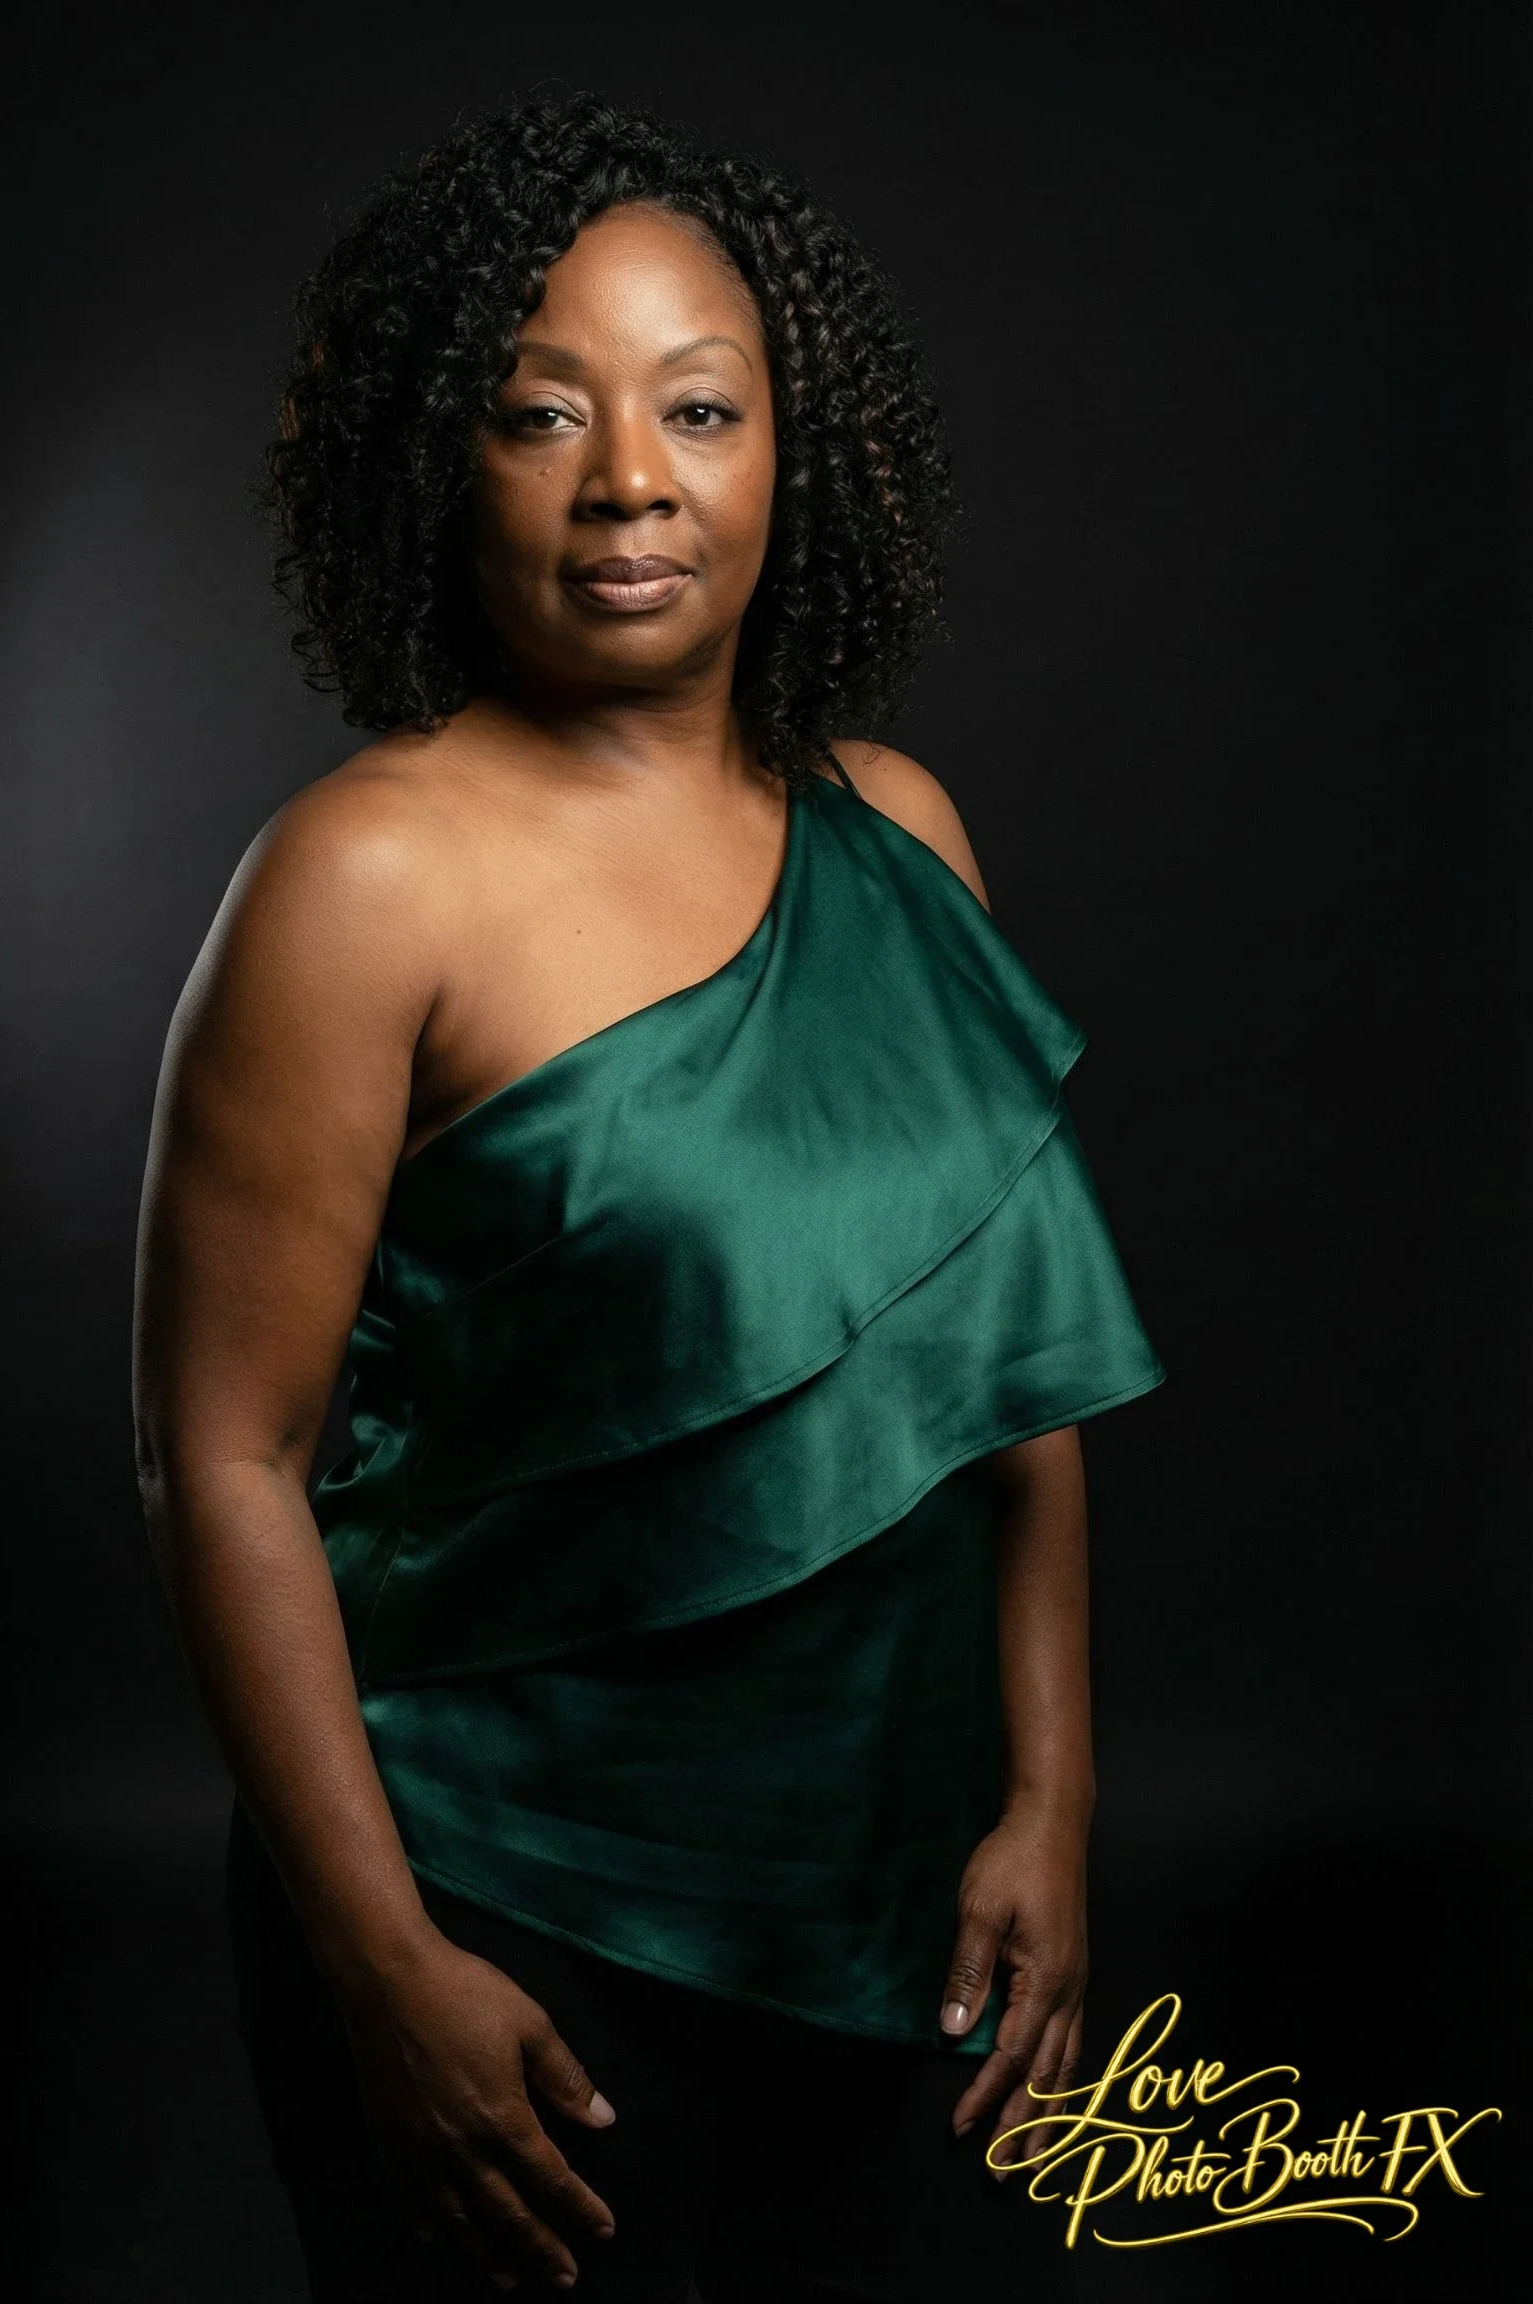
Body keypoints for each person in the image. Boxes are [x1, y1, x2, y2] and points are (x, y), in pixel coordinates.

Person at [132, 92, 1164, 2303]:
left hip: (904, 1907)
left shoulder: (899, 827)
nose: (632, 482)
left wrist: (1051, 1802)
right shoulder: (363, 876)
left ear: (797, 453)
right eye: (540, 414)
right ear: (441, 459)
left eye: (701, 407)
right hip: (510, 1916)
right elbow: (219, 1457)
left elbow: (1012, 1405)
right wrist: (379, 1965)